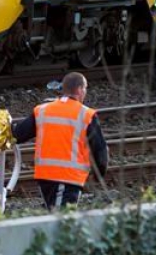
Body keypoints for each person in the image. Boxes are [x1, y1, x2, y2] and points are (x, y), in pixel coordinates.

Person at [13, 72, 108, 209]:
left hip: (44, 176)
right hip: (67, 178)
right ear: (80, 89)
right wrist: (99, 173)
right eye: (85, 88)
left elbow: (18, 134)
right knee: (61, 221)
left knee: (55, 216)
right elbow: (100, 150)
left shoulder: (43, 110)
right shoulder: (86, 115)